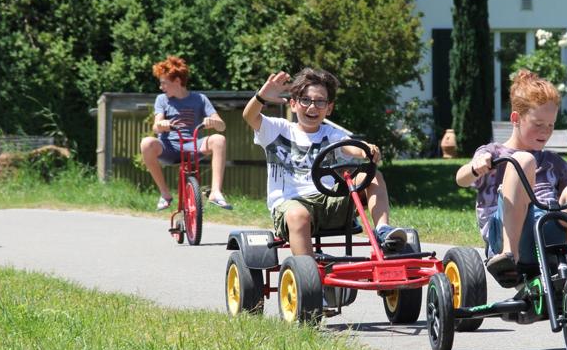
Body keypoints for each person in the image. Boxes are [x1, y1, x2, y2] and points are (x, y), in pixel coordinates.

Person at [242, 68, 406, 256]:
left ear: (329, 108)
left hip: (328, 203)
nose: (312, 107)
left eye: (320, 102)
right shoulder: (277, 129)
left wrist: (366, 149)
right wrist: (261, 97)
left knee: (373, 176)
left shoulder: (330, 134)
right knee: (298, 215)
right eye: (306, 100)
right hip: (290, 207)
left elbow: (351, 146)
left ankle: (383, 232)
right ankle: (309, 270)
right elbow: (249, 116)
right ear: (294, 104)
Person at [456, 69, 567, 283]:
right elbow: (461, 179)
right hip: (507, 234)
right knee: (524, 160)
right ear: (516, 118)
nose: (545, 131)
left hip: (549, 234)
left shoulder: (554, 162)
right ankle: (509, 257)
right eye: (538, 124)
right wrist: (476, 167)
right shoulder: (494, 153)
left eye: (550, 125)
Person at [139, 56, 231, 211]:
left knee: (219, 139)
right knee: (146, 143)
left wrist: (213, 122)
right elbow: (156, 127)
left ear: (177, 81)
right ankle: (165, 194)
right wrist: (161, 124)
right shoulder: (162, 99)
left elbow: (222, 126)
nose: (161, 87)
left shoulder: (200, 99)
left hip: (192, 145)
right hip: (169, 147)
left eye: (164, 83)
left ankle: (215, 192)